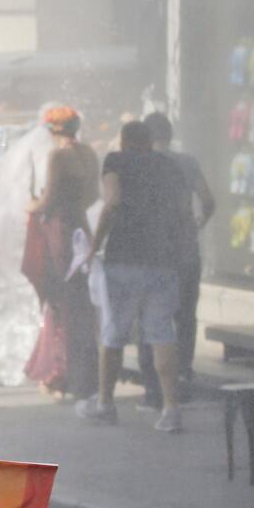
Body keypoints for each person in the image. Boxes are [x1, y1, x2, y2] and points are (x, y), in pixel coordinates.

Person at [76, 121, 186, 432]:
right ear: (150, 142)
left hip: (124, 258)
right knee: (162, 332)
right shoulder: (168, 165)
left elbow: (112, 201)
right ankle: (171, 408)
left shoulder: (116, 161)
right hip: (163, 259)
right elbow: (181, 208)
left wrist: (95, 244)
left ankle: (105, 404)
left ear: (124, 141)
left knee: (113, 332)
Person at [137, 112, 216, 409]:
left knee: (151, 319)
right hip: (185, 250)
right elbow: (208, 201)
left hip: (154, 254)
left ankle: (153, 390)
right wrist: (197, 224)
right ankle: (182, 375)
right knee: (185, 317)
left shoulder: (141, 164)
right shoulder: (188, 162)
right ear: (170, 134)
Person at [21, 105, 100, 400]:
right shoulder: (89, 154)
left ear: (53, 130)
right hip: (80, 226)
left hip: (58, 231)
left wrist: (29, 205)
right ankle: (85, 377)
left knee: (58, 299)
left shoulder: (58, 156)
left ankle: (59, 374)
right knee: (80, 302)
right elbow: (93, 195)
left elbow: (48, 198)